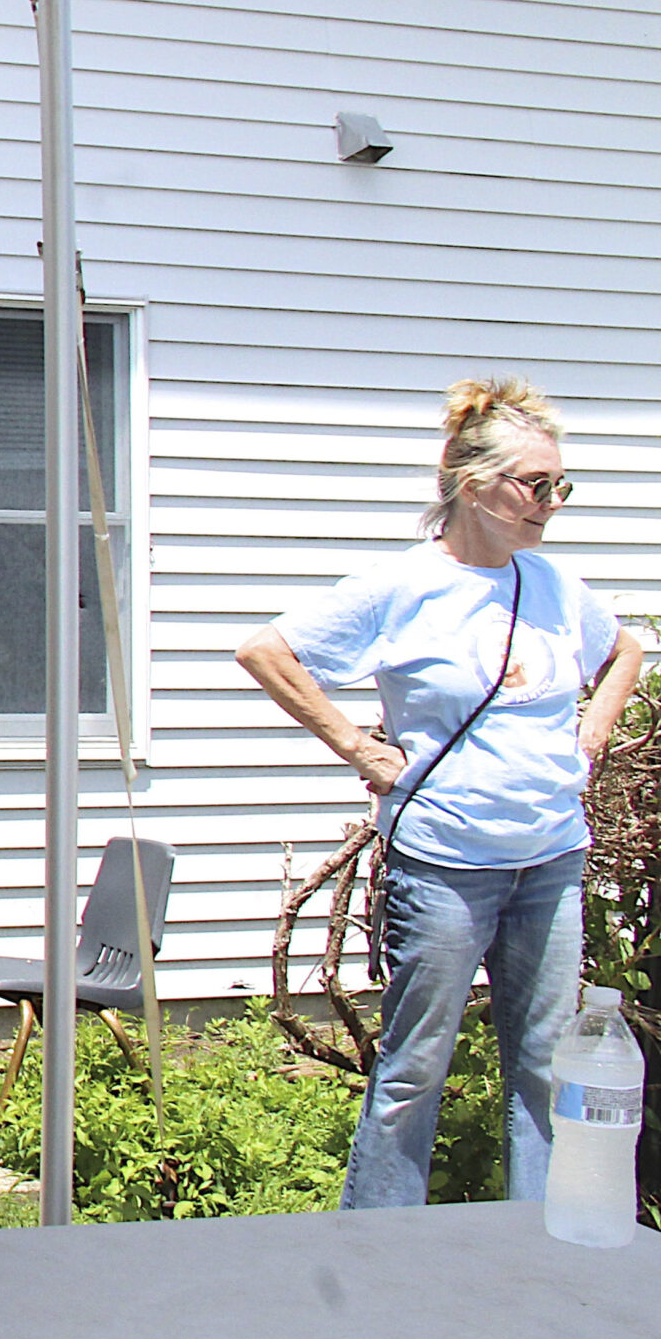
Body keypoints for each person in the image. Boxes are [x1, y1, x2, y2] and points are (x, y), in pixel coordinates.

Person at [235, 378, 643, 1207]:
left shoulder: (555, 587)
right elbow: (266, 652)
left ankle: (541, 1240)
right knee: (416, 1066)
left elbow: (627, 652)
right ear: (469, 482)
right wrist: (356, 745)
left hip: (553, 860)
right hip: (447, 864)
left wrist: (593, 731)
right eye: (534, 484)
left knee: (542, 1065)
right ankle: (386, 1249)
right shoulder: (402, 587)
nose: (550, 503)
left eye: (559, 485)